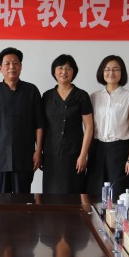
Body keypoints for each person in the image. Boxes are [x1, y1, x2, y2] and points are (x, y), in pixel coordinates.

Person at [0, 47, 45, 193]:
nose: (12, 67)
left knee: (22, 199)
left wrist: (38, 151)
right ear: (0, 68)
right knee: (0, 199)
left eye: (15, 63)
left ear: (21, 66)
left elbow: (39, 124)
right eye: (7, 64)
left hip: (24, 157)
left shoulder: (32, 91)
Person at [86, 55, 129, 198]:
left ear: (122, 72)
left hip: (120, 150)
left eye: (116, 69)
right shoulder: (93, 97)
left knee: (119, 193)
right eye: (107, 69)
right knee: (95, 193)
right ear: (102, 72)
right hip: (96, 148)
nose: (111, 73)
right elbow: (89, 127)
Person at [41, 54, 93, 194]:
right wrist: (39, 152)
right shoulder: (47, 96)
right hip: (51, 155)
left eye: (68, 68)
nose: (64, 71)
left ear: (73, 72)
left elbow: (89, 127)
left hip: (74, 155)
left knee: (74, 194)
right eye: (60, 68)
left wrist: (83, 155)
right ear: (54, 72)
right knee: (51, 196)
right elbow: (41, 127)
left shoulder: (82, 95)